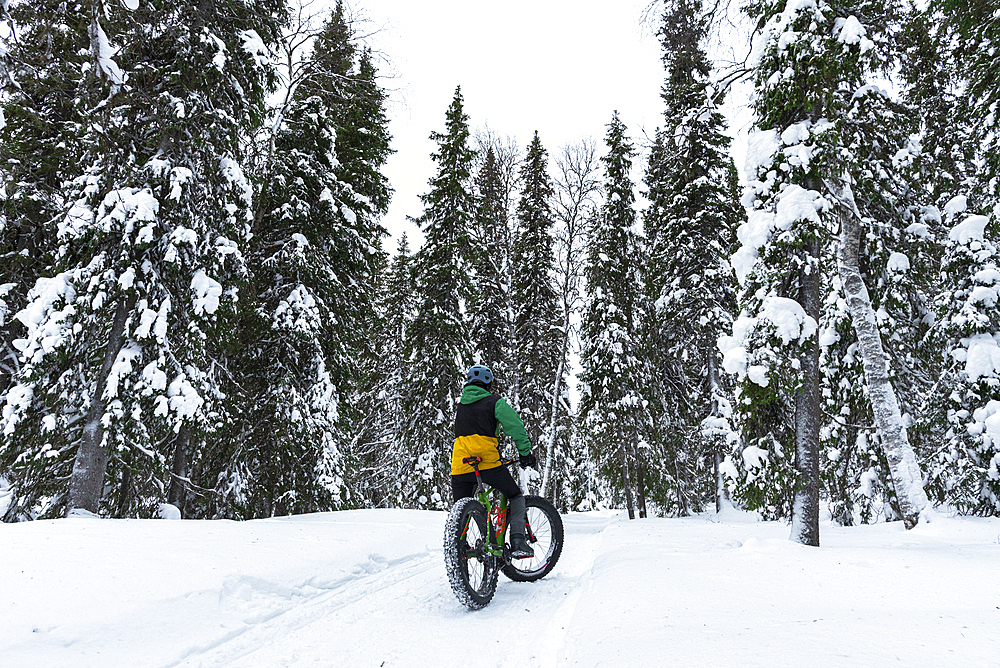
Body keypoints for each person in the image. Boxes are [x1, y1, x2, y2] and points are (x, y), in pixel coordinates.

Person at [451, 364, 537, 559]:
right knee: (515, 496)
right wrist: (525, 453)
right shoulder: (494, 402)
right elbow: (515, 427)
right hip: (487, 463)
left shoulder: (461, 405)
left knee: (460, 513)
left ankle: (459, 552)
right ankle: (517, 542)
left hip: (460, 465)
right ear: (488, 383)